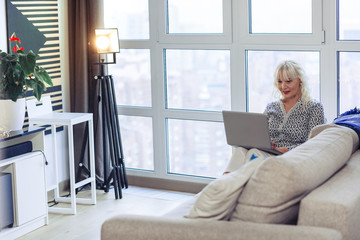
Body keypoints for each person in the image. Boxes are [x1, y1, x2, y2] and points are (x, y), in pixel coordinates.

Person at [223, 60, 326, 174]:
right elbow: (259, 134)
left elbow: (314, 143)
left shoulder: (314, 107)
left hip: (292, 156)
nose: (283, 86)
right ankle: (223, 185)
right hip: (268, 152)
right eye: (279, 81)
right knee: (240, 151)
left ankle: (229, 187)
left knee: (254, 153)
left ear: (300, 80)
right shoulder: (272, 107)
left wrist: (287, 149)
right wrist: (267, 143)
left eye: (288, 81)